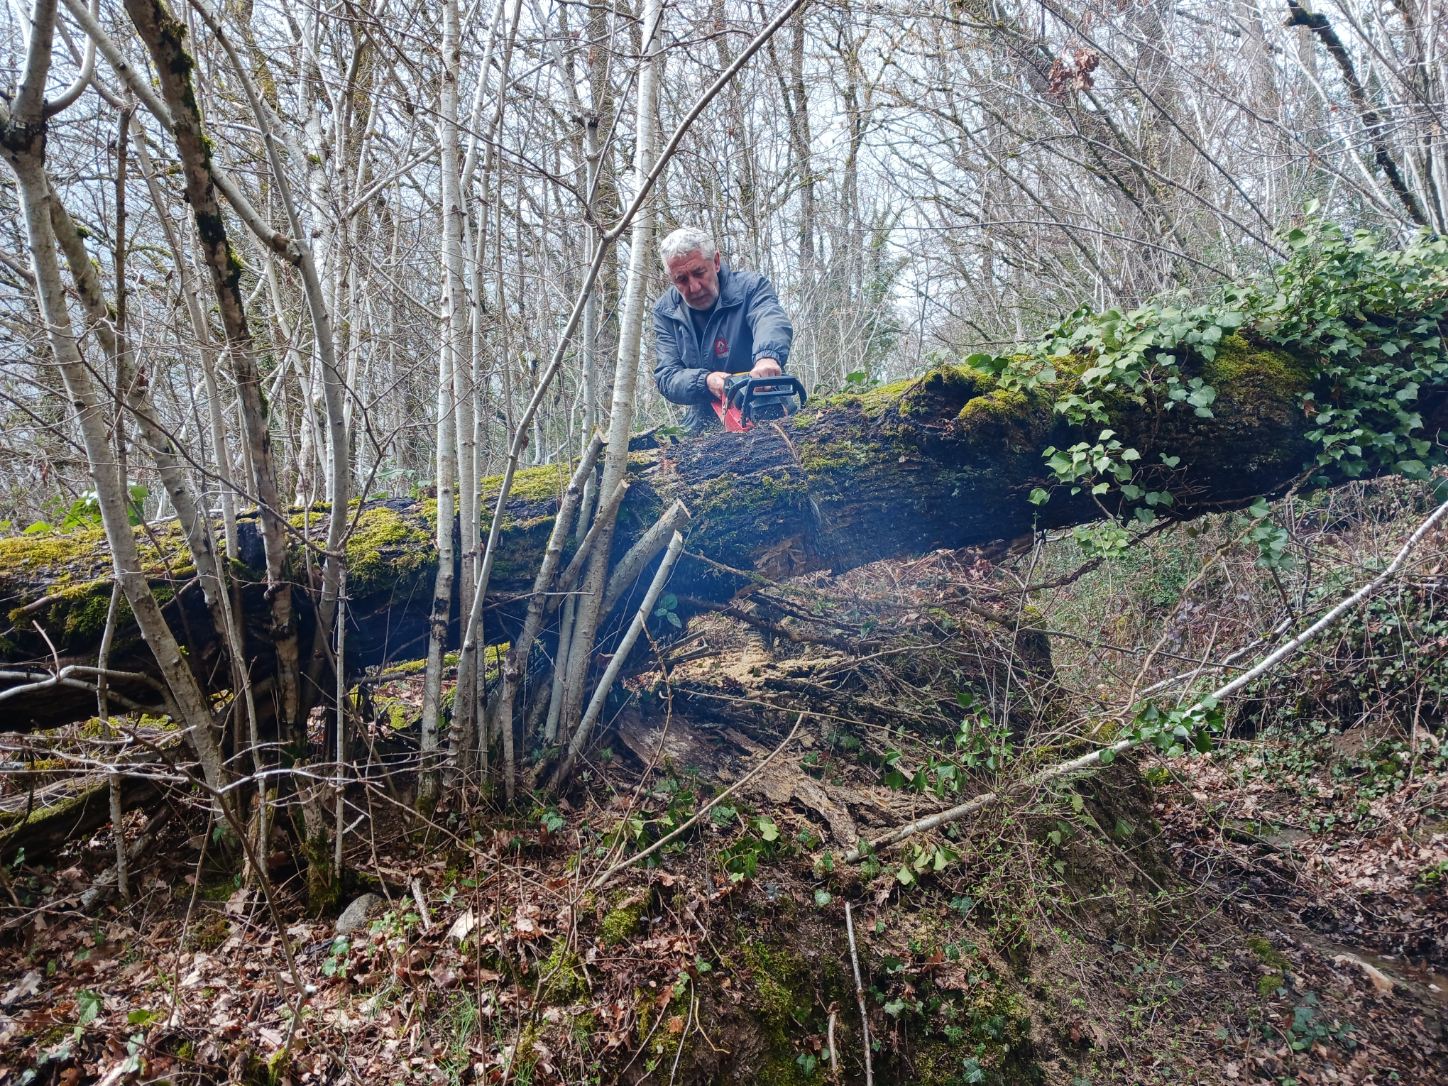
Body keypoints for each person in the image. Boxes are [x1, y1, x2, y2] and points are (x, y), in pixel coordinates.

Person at [652, 226, 794, 433]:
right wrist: (706, 382)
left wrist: (767, 357)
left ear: (716, 262)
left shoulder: (751, 288)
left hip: (767, 404)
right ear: (671, 278)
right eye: (681, 279)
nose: (694, 288)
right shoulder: (666, 311)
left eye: (699, 273)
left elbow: (769, 318)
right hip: (704, 422)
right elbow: (667, 376)